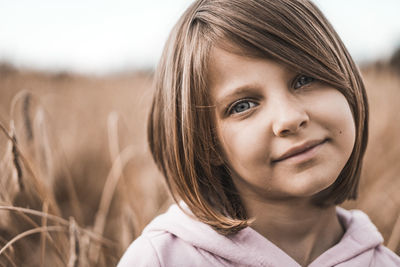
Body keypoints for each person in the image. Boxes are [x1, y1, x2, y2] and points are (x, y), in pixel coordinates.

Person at [118, 0, 400, 266]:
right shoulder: (161, 259)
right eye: (243, 105)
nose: (289, 119)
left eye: (304, 79)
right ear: (207, 144)